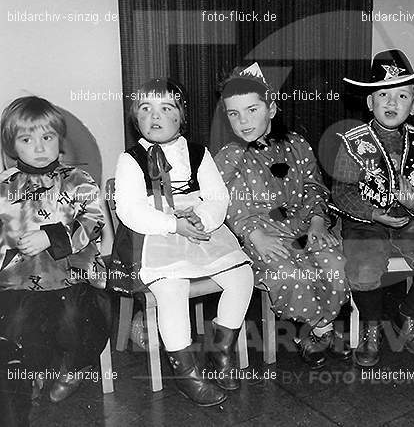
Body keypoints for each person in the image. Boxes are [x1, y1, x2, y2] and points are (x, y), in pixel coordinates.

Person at [111, 79, 254, 406]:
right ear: (136, 119)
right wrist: (172, 224)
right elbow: (130, 209)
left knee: (241, 276)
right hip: (155, 232)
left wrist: (202, 217)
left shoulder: (197, 153)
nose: (155, 116)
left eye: (166, 108)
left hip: (199, 227)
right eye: (146, 109)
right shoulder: (130, 159)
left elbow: (218, 195)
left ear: (181, 117)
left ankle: (220, 355)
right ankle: (186, 373)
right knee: (171, 288)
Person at [213, 63, 351, 370]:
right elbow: (228, 203)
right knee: (291, 274)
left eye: (251, 109)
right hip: (262, 234)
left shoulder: (297, 145)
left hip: (303, 225)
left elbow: (315, 186)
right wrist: (255, 235)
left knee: (335, 264)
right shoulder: (230, 156)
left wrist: (317, 220)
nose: (243, 120)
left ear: (271, 108)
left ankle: (320, 327)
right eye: (234, 114)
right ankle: (318, 328)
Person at [332, 49, 414, 367]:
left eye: (401, 95)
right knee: (362, 269)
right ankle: (371, 328)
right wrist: (371, 213)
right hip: (365, 221)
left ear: (413, 106)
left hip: (411, 219)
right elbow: (341, 192)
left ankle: (407, 315)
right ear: (369, 102)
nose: (391, 102)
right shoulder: (352, 142)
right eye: (382, 94)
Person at [0, 96, 110, 403]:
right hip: (20, 280)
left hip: (72, 276)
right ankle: (28, 371)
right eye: (27, 139)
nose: (39, 148)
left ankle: (74, 367)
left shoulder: (77, 180)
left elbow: (93, 221)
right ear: (12, 145)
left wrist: (52, 236)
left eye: (47, 137)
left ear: (58, 140)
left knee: (75, 318)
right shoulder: (4, 188)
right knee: (18, 319)